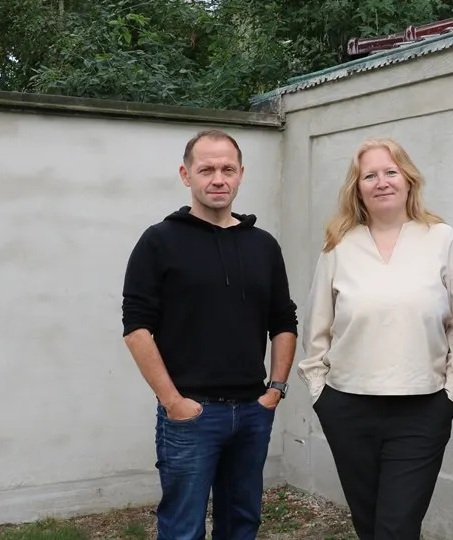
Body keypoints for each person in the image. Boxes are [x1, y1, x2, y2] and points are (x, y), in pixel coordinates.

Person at [121, 129, 298, 540]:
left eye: (227, 169)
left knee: (242, 524)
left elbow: (283, 320)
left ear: (241, 175)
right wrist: (173, 402)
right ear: (186, 175)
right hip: (191, 415)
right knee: (183, 529)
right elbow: (137, 329)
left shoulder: (263, 245)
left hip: (253, 412)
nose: (218, 179)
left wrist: (275, 390)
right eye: (207, 170)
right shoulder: (158, 242)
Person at [297, 137, 453, 540]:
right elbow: (317, 327)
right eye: (369, 175)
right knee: (368, 524)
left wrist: (452, 392)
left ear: (408, 179)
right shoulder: (339, 245)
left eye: (391, 172)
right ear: (357, 188)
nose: (382, 182)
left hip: (423, 408)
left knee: (397, 527)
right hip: (348, 408)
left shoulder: (441, 238)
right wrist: (320, 391)